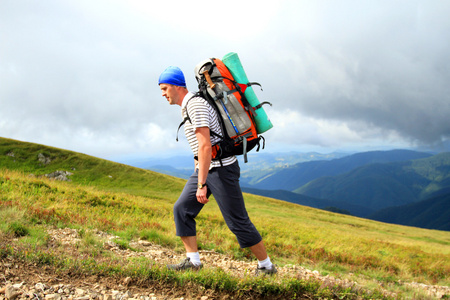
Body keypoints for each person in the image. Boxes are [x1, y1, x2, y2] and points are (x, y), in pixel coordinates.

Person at [158, 66, 276, 275]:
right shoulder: (187, 107)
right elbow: (202, 147)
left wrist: (201, 184)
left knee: (237, 221)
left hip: (221, 170)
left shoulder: (195, 105)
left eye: (165, 88)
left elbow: (205, 146)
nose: (163, 94)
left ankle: (266, 266)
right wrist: (199, 171)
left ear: (177, 86)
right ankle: (193, 262)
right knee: (182, 209)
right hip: (207, 169)